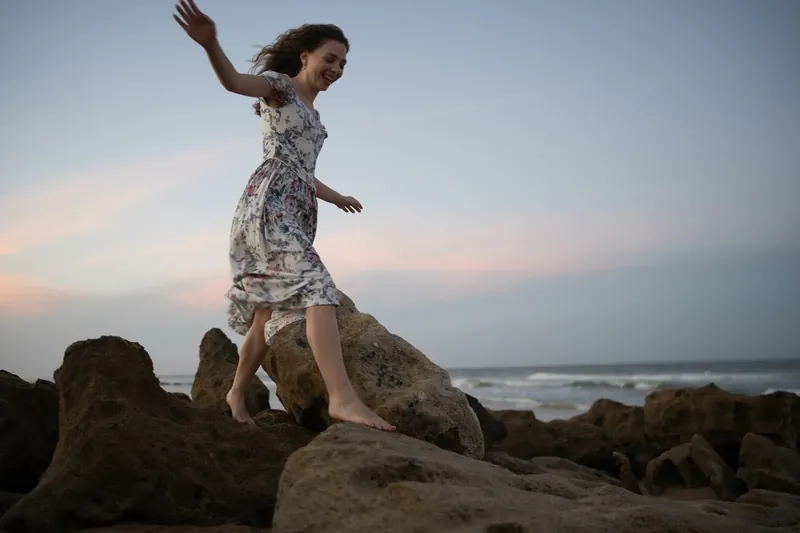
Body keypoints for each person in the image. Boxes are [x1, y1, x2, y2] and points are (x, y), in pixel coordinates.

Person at [173, 0, 395, 431]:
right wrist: (210, 45)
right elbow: (235, 82)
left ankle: (237, 391)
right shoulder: (280, 88)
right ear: (305, 56)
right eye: (330, 58)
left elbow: (305, 172)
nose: (337, 68)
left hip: (298, 207)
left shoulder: (315, 114)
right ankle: (342, 398)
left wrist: (335, 196)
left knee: (265, 311)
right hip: (269, 205)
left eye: (343, 63)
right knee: (318, 286)